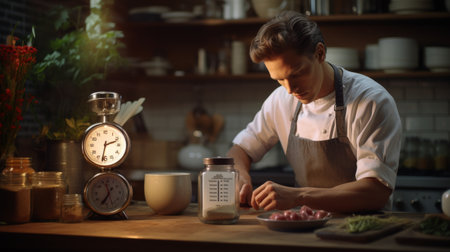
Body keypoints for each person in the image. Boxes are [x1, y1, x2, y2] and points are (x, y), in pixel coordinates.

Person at [227, 11, 402, 213]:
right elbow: (240, 150)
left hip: (361, 230)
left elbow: (375, 192)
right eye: (279, 79)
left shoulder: (370, 101)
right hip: (304, 227)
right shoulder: (280, 100)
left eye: (297, 74)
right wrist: (240, 175)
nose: (290, 89)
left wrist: (299, 196)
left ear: (320, 53)